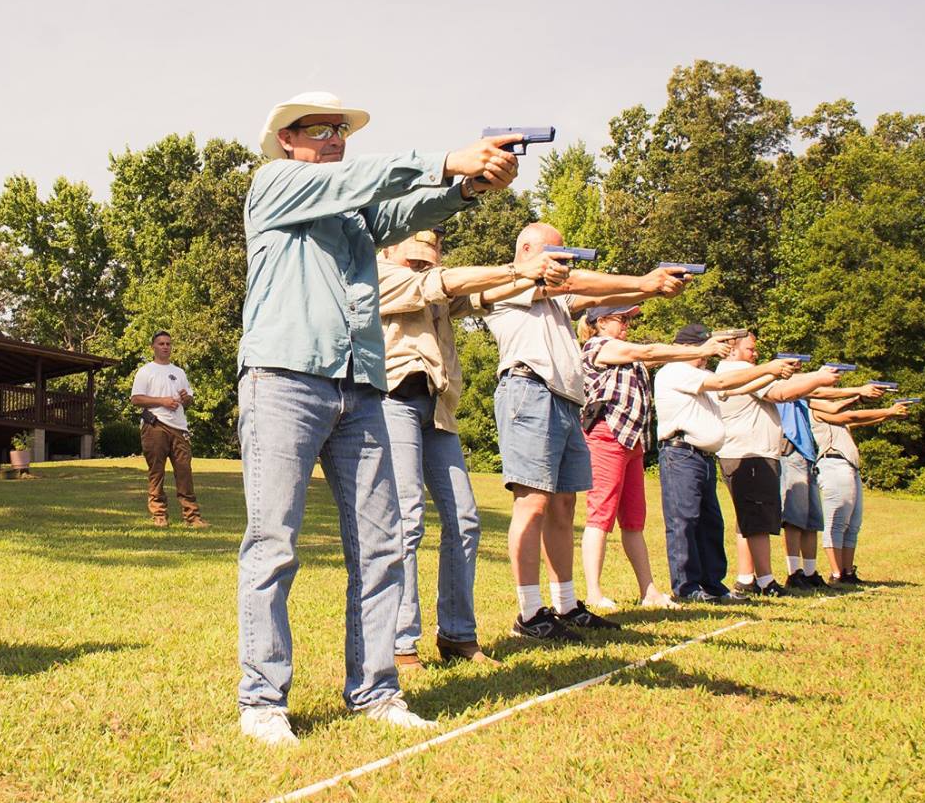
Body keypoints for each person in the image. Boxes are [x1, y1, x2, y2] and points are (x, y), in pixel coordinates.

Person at [234, 92, 520, 746]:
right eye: (319, 128)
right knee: (274, 543)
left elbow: (403, 208)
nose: (335, 137)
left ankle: (376, 691)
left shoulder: (354, 212)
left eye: (340, 128)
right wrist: (445, 157)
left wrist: (467, 186)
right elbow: (363, 179)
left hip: (362, 384)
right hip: (283, 377)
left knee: (384, 541)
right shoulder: (275, 184)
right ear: (286, 139)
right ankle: (262, 700)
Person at [481, 224, 694, 640]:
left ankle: (565, 605)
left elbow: (597, 296)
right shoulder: (510, 282)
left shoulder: (555, 298)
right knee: (533, 504)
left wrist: (653, 289)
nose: (563, 264)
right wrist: (644, 280)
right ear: (527, 251)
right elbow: (582, 284)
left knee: (563, 507)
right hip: (530, 389)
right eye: (556, 255)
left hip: (563, 398)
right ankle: (529, 612)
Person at [375, 229, 558, 667]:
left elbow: (483, 293)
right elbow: (444, 284)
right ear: (388, 251)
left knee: (465, 519)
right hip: (393, 399)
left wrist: (542, 276)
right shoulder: (378, 274)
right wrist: (520, 268)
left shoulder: (434, 282)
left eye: (429, 257)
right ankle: (400, 644)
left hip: (437, 407)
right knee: (407, 519)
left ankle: (457, 635)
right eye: (414, 257)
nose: (423, 264)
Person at [576, 305, 733, 610]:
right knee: (601, 515)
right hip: (607, 436)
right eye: (623, 318)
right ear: (601, 323)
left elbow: (656, 355)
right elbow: (648, 351)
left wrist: (700, 350)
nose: (628, 324)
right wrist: (701, 348)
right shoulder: (600, 346)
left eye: (629, 319)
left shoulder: (621, 350)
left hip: (631, 441)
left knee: (634, 521)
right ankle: (593, 592)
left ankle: (648, 591)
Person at [653, 327, 802, 604]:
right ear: (689, 347)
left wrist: (770, 373)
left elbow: (737, 386)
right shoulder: (675, 370)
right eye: (706, 347)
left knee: (711, 524)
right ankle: (687, 587)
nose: (711, 353)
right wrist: (768, 368)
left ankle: (712, 585)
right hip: (681, 454)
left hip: (701, 457)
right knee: (684, 522)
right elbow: (723, 384)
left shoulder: (702, 374)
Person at [714, 332, 841, 596]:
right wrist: (817, 377)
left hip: (748, 452)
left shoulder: (740, 370)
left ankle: (747, 577)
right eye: (750, 349)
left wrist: (812, 375)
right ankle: (764, 581)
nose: (755, 354)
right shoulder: (739, 369)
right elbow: (781, 393)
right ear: (732, 350)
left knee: (749, 519)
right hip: (749, 454)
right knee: (758, 519)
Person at [776, 377, 885, 588]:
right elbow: (839, 410)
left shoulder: (808, 397)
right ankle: (795, 573)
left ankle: (809, 572)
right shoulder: (795, 392)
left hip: (807, 456)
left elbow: (843, 411)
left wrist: (863, 399)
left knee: (811, 522)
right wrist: (862, 394)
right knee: (795, 519)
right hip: (793, 453)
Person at [814, 395, 912, 584]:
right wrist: (887, 411)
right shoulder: (818, 408)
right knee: (837, 522)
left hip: (848, 467)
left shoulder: (834, 416)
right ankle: (836, 574)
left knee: (853, 524)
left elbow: (858, 420)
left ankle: (847, 572)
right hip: (834, 464)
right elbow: (850, 417)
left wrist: (889, 414)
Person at [130, 330, 207, 527]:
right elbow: (136, 399)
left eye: (168, 344)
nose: (165, 346)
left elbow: (188, 400)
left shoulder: (179, 372)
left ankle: (192, 517)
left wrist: (186, 397)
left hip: (179, 428)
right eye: (161, 343)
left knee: (184, 471)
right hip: (155, 425)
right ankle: (159, 515)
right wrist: (162, 401)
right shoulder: (146, 371)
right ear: (153, 347)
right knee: (157, 471)